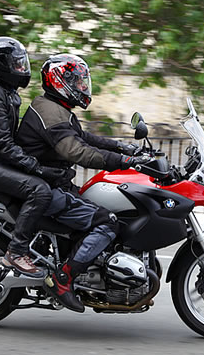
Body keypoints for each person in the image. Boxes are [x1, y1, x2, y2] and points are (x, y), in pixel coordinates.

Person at [17, 53, 151, 311]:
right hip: (45, 186)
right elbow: (77, 151)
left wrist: (125, 148)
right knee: (107, 222)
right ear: (60, 81)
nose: (82, 86)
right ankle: (62, 279)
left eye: (82, 81)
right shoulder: (50, 112)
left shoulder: (56, 108)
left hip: (54, 183)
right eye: (77, 81)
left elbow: (85, 138)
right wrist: (123, 162)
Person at [0, 37, 70, 278]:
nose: (22, 69)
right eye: (16, 64)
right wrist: (38, 169)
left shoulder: (5, 91)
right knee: (39, 190)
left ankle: (38, 244)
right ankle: (16, 252)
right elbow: (3, 145)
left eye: (22, 64)